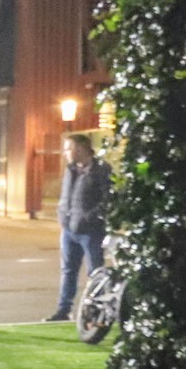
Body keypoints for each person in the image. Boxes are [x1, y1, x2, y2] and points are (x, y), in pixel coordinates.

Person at [49, 134, 110, 322]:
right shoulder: (70, 170)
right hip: (69, 229)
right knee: (68, 270)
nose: (65, 153)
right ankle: (63, 310)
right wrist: (62, 215)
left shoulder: (102, 170)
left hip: (91, 231)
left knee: (95, 272)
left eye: (68, 148)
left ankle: (96, 312)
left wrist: (89, 217)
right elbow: (65, 196)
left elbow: (108, 200)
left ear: (80, 150)